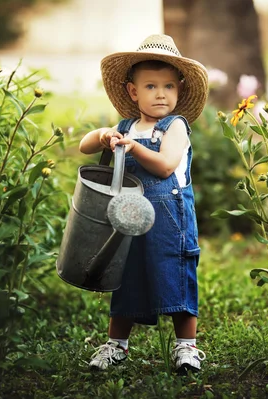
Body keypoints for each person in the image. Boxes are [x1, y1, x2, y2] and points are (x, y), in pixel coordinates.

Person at [78, 34, 209, 373]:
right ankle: (116, 345)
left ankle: (187, 347)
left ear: (179, 89)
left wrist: (134, 148)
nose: (161, 94)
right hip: (128, 219)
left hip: (170, 219)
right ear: (133, 92)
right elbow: (84, 146)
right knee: (126, 278)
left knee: (176, 273)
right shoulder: (126, 127)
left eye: (168, 86)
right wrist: (105, 134)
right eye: (151, 86)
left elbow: (165, 165)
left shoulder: (175, 126)